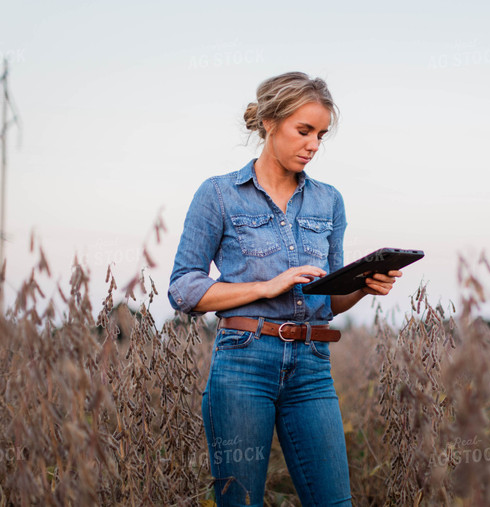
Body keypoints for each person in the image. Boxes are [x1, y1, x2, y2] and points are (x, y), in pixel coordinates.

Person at [167, 71, 402, 506]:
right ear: (270, 122)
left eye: (321, 134)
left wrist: (364, 286)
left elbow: (326, 301)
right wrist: (266, 285)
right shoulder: (218, 194)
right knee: (241, 501)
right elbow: (183, 289)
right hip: (243, 362)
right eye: (304, 130)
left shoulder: (328, 200)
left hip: (312, 366)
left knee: (334, 502)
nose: (314, 144)